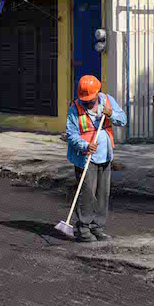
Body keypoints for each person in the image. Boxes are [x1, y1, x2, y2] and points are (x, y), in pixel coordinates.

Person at [65, 75, 127, 243]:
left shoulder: (107, 101)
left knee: (102, 194)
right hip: (85, 158)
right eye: (85, 100)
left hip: (105, 156)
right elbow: (71, 135)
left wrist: (111, 113)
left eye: (90, 99)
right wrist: (85, 146)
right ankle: (83, 229)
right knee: (87, 194)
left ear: (97, 93)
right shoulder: (75, 109)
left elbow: (122, 120)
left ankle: (97, 227)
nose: (88, 102)